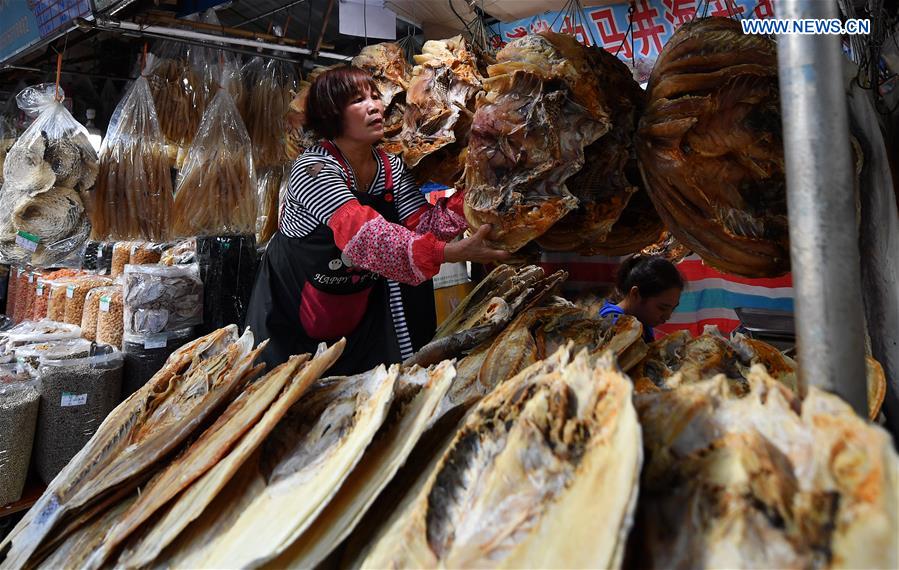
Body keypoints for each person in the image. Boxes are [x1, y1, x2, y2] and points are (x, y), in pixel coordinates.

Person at [246, 65, 509, 375]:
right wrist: (448, 253)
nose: (376, 106)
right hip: (292, 313)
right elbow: (364, 236)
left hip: (355, 309)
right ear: (332, 113)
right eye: (358, 100)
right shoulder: (312, 169)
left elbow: (422, 228)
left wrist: (476, 190)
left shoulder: (390, 168)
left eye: (375, 96)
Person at [599, 254, 684, 343]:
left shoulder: (644, 323)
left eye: (673, 309)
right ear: (635, 294)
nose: (667, 317)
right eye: (662, 308)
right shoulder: (612, 322)